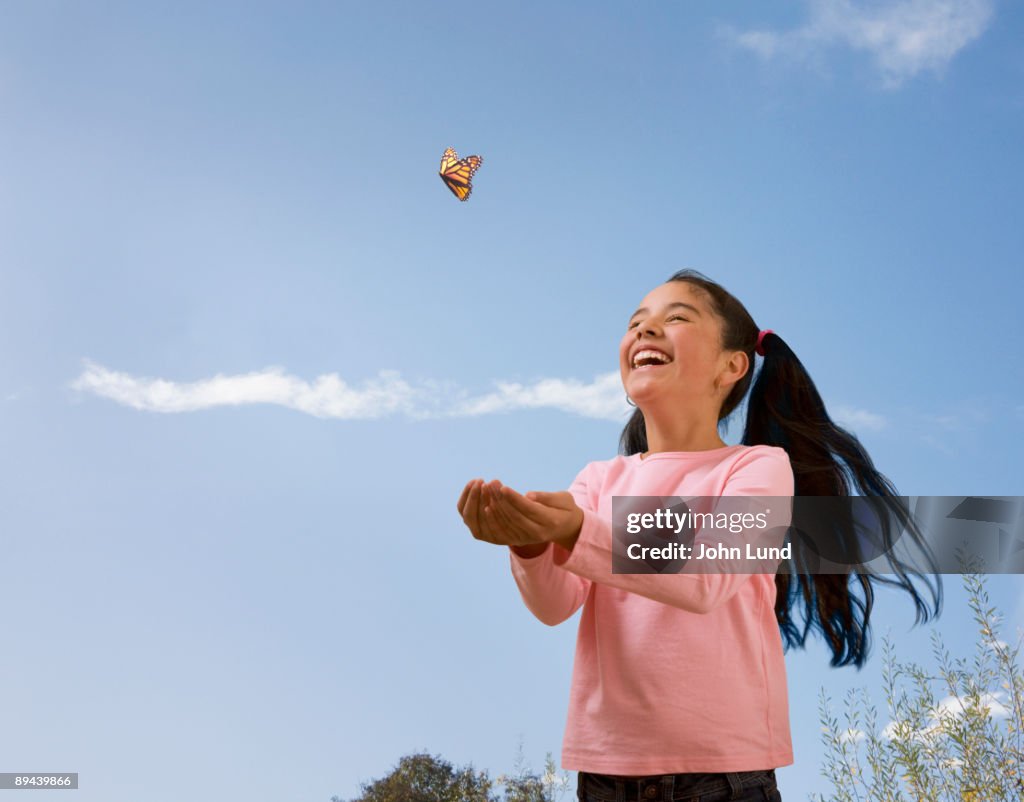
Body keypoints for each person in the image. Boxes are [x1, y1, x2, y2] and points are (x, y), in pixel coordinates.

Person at [456, 269, 943, 802]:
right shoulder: (598, 480)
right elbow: (554, 606)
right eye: (635, 323)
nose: (644, 331)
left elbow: (705, 576)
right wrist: (528, 545)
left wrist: (576, 529)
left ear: (731, 366)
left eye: (675, 318)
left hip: (724, 775)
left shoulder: (758, 469)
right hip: (605, 773)